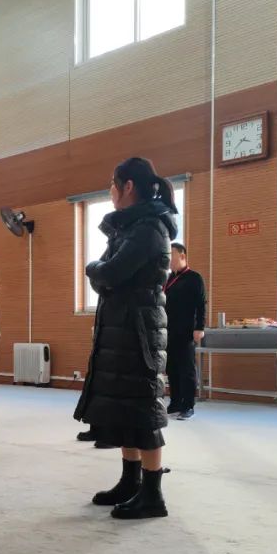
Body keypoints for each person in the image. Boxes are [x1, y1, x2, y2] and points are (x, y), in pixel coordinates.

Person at [75, 157, 176, 519]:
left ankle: (153, 494)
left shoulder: (149, 228)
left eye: (113, 184)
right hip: (122, 326)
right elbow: (106, 275)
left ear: (128, 186)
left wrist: (94, 270)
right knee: (123, 408)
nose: (110, 191)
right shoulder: (128, 227)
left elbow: (110, 272)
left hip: (139, 332)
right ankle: (130, 481)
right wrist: (101, 274)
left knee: (143, 411)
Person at [163, 243, 206, 420]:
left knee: (186, 369)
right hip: (168, 330)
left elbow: (201, 305)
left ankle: (188, 406)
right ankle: (175, 402)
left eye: (171, 254)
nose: (168, 258)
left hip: (187, 330)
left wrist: (199, 327)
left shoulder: (194, 278)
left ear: (182, 256)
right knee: (171, 368)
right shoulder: (168, 279)